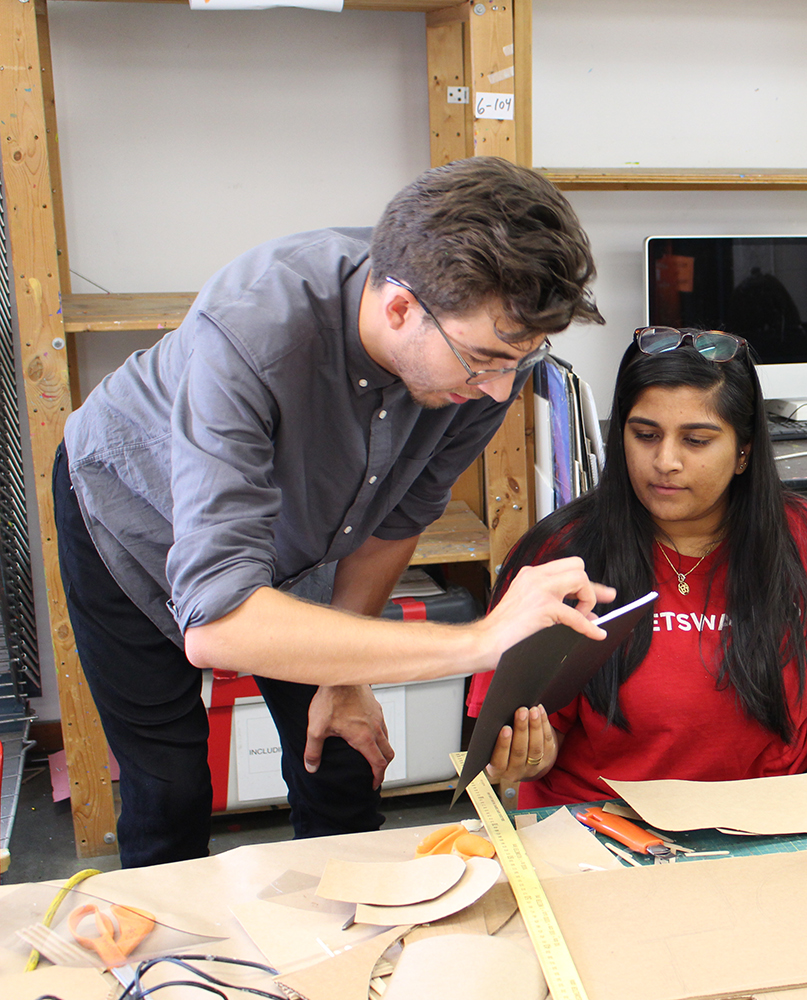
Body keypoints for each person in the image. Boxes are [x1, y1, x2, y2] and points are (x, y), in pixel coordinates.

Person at [55, 156, 614, 867]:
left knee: (345, 756)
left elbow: (396, 518)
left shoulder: (484, 356)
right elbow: (219, 623)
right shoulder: (251, 331)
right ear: (400, 308)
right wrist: (480, 641)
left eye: (521, 360)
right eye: (482, 361)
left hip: (299, 529)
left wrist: (345, 674)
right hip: (129, 512)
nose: (501, 391)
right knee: (170, 786)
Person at [465, 327, 807, 806]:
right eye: (645, 435)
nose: (665, 461)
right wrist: (524, 756)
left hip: (770, 822)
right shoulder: (560, 554)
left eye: (696, 440)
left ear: (744, 451)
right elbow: (516, 745)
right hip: (607, 829)